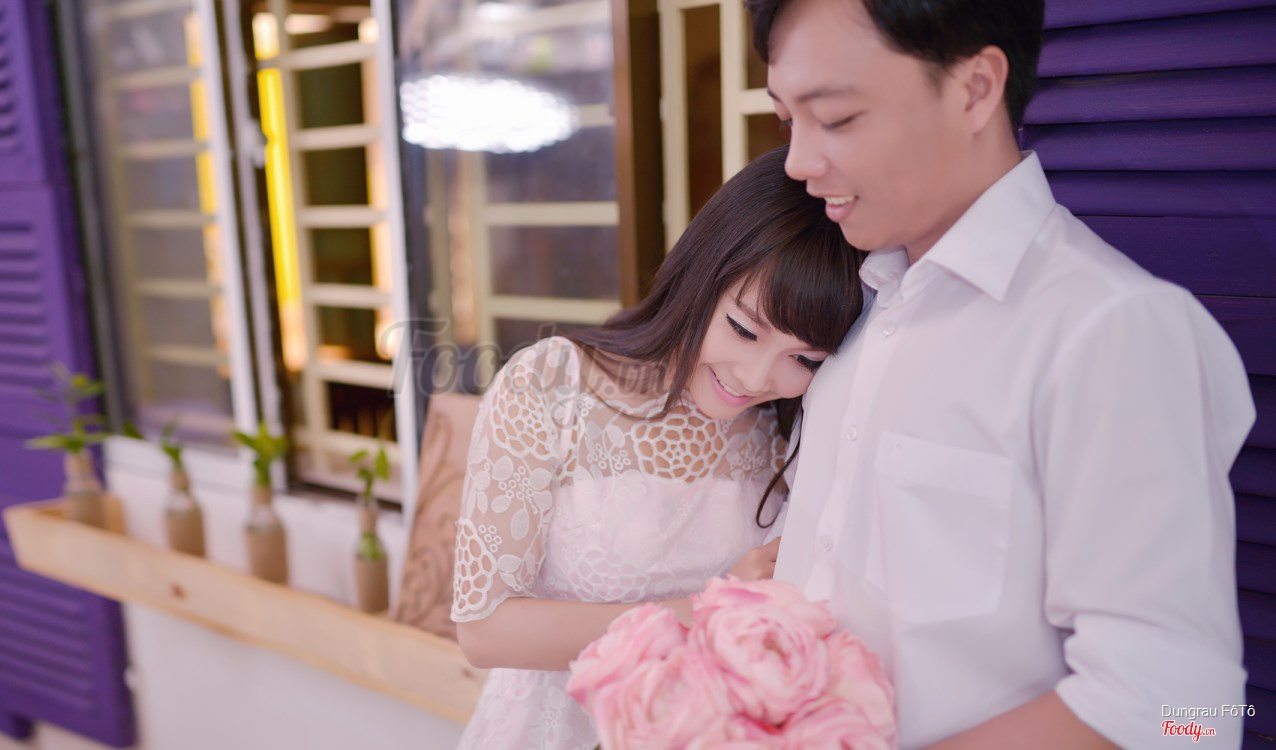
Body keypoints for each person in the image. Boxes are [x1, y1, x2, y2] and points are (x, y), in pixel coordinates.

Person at [749, 0, 1257, 747]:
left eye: (837, 118)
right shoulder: (853, 303)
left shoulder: (1109, 330)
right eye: (786, 119)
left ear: (975, 88)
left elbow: (1187, 715)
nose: (797, 162)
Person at [450, 145, 864, 749]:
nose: (755, 377)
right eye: (743, 329)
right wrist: (703, 611)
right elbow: (484, 631)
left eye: (803, 359)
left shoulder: (785, 430)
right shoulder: (550, 385)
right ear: (702, 275)